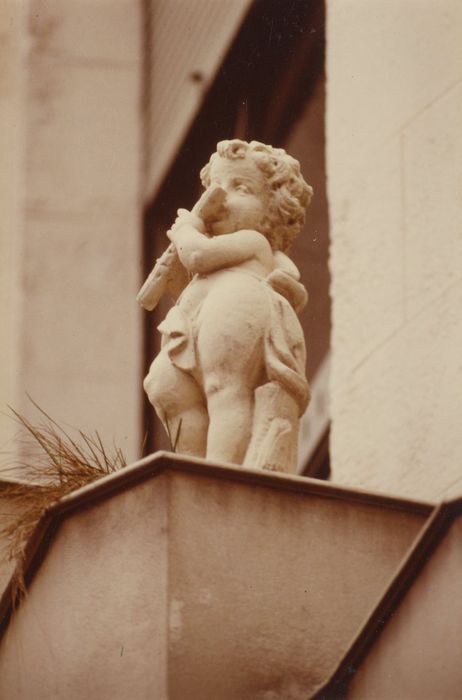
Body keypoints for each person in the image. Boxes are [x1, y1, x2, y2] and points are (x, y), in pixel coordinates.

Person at [142, 139, 313, 471]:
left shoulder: (254, 242)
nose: (221, 198)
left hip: (239, 304)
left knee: (225, 389)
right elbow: (190, 280)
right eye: (216, 186)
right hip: (200, 314)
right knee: (165, 385)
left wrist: (187, 232)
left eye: (241, 188)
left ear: (272, 210)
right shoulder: (214, 259)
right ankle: (192, 472)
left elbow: (198, 255)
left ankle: (220, 475)